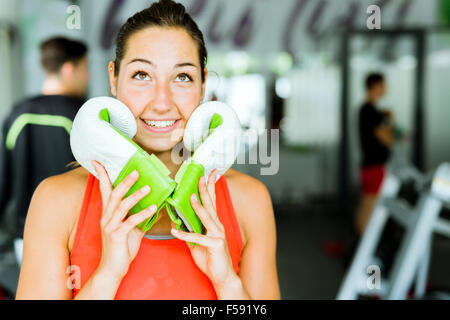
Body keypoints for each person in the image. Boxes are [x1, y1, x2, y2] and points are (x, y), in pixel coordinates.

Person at [16, 0, 280, 300]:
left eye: (182, 77)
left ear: (203, 84)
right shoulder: (56, 202)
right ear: (113, 78)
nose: (162, 102)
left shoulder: (249, 202)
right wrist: (107, 276)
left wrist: (227, 284)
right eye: (142, 75)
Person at [0, 37, 89, 255]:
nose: (87, 77)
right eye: (85, 68)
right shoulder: (82, 116)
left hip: (25, 235)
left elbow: (2, 180)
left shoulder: (18, 114)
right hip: (76, 234)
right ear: (70, 69)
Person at [355, 73, 394, 235]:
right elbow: (387, 139)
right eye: (383, 85)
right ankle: (361, 246)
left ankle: (359, 246)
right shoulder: (370, 111)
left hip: (370, 165)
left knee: (367, 204)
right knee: (370, 206)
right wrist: (389, 122)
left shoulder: (368, 110)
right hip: (374, 166)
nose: (386, 89)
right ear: (376, 86)